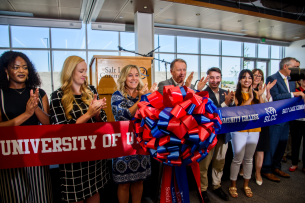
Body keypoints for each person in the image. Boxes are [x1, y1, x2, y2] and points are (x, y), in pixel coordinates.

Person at [50, 55, 109, 203]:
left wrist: (96, 115)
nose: (85, 75)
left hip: (93, 154)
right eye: (81, 71)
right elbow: (61, 129)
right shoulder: (57, 96)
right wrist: (88, 114)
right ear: (70, 72)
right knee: (75, 197)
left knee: (94, 192)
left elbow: (104, 120)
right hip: (72, 158)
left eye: (85, 71)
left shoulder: (91, 90)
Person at [0, 51, 52, 203]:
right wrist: (27, 114)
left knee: (42, 195)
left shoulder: (39, 93)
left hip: (37, 152)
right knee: (15, 196)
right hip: (11, 153)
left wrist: (35, 108)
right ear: (6, 70)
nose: (21, 71)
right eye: (16, 67)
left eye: (25, 67)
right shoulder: (2, 95)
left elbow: (48, 123)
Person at [111, 64, 158, 203]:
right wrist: (140, 100)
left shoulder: (144, 93)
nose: (134, 78)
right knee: (124, 184)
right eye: (130, 75)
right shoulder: (117, 95)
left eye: (136, 75)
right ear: (124, 78)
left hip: (141, 144)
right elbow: (122, 115)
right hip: (123, 146)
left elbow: (152, 116)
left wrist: (151, 98)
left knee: (139, 181)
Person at [262, 57, 304, 182]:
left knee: (282, 146)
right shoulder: (272, 78)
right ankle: (266, 170)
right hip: (276, 120)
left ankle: (276, 167)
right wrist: (294, 94)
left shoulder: (291, 80)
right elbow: (275, 97)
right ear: (286, 66)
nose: (297, 69)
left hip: (287, 119)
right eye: (295, 67)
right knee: (272, 146)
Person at [197, 67, 234, 203]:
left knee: (220, 163)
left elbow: (233, 112)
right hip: (208, 136)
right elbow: (208, 114)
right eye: (212, 77)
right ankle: (203, 189)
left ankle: (216, 185)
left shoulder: (226, 92)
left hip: (223, 136)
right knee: (204, 165)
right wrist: (225, 104)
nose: (215, 80)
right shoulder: (202, 93)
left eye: (217, 77)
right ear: (207, 78)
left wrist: (232, 103)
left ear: (221, 78)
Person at [229, 69, 265, 198]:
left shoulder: (256, 93)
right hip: (240, 130)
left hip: (255, 129)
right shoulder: (235, 94)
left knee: (249, 159)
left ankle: (246, 184)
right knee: (237, 158)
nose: (247, 80)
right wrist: (250, 98)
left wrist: (259, 96)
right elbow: (240, 110)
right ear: (239, 80)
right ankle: (233, 185)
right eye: (244, 77)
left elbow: (263, 110)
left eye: (249, 77)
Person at [251, 68, 276, 185]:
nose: (257, 77)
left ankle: (258, 173)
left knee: (260, 149)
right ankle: (243, 169)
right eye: (255, 75)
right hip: (250, 123)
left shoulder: (265, 89)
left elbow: (267, 107)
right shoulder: (245, 88)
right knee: (248, 148)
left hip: (262, 122)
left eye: (259, 76)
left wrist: (267, 92)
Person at [283, 59, 301, 163]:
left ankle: (290, 152)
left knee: (291, 136)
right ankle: (284, 154)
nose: (297, 70)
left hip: (294, 113)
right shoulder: (286, 79)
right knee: (285, 134)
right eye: (295, 67)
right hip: (284, 112)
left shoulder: (294, 80)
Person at [289, 78, 305, 173]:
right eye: (304, 80)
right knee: (296, 143)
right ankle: (294, 163)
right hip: (297, 120)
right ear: (300, 81)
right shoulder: (295, 91)